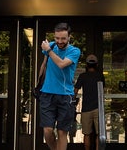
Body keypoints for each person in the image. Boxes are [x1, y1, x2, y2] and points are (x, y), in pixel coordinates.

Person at [38, 22, 81, 150]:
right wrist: (38, 84)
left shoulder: (74, 51)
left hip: (65, 95)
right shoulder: (50, 46)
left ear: (69, 37)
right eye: (57, 38)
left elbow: (61, 64)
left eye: (63, 38)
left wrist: (49, 50)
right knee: (47, 131)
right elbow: (44, 65)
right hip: (47, 93)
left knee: (62, 132)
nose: (59, 41)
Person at [74, 54, 104, 150]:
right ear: (96, 65)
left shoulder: (83, 76)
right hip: (98, 108)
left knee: (86, 134)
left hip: (86, 108)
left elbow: (75, 91)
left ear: (86, 65)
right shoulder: (100, 76)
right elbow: (102, 90)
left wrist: (72, 100)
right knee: (99, 134)